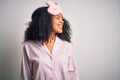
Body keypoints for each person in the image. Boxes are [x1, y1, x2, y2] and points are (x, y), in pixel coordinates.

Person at [21, 1, 80, 80]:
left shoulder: (67, 46)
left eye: (62, 18)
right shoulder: (28, 47)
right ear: (45, 21)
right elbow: (25, 77)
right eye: (57, 17)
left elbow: (74, 76)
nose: (62, 21)